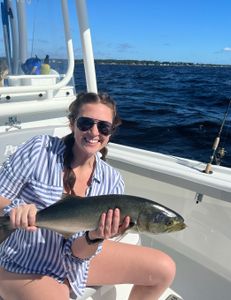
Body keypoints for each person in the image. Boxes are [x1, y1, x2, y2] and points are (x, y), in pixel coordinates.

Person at [0, 92, 176, 300]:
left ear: (110, 132)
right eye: (85, 123)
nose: (94, 132)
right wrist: (16, 209)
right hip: (23, 260)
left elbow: (78, 252)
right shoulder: (40, 149)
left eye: (103, 127)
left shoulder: (112, 180)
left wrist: (95, 237)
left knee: (163, 270)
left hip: (76, 261)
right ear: (72, 123)